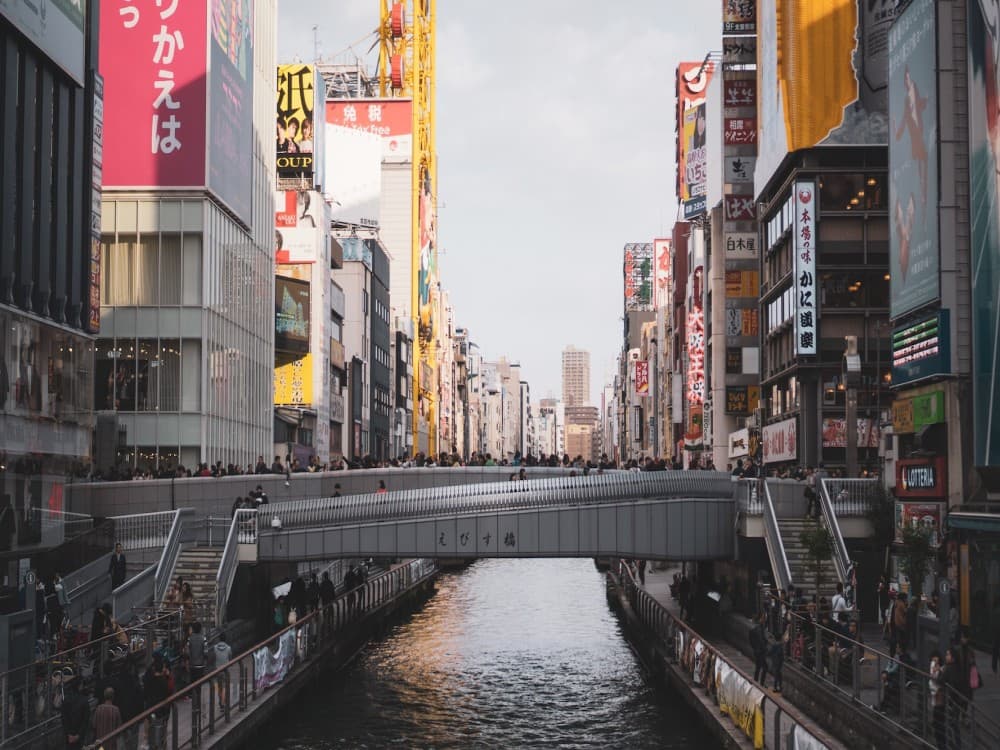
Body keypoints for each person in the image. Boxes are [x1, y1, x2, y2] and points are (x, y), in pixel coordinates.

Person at [60, 669, 89, 749]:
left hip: (68, 737)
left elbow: (64, 719)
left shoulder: (66, 700)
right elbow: (85, 721)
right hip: (80, 738)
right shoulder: (84, 701)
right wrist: (78, 735)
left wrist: (68, 734)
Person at [212, 630, 233, 711]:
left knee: (219, 687)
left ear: (219, 639)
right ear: (225, 639)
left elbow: (213, 658)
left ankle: (220, 702)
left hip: (217, 670)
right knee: (224, 687)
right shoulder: (228, 648)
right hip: (225, 670)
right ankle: (223, 703)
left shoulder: (214, 648)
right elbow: (230, 658)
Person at [750, 612, 769, 685]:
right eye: (764, 618)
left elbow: (752, 640)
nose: (765, 619)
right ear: (761, 618)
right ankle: (760, 683)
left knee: (759, 667)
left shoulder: (758, 627)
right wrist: (764, 648)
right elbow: (761, 640)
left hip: (757, 650)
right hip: (760, 651)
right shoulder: (758, 628)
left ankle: (756, 682)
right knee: (764, 667)